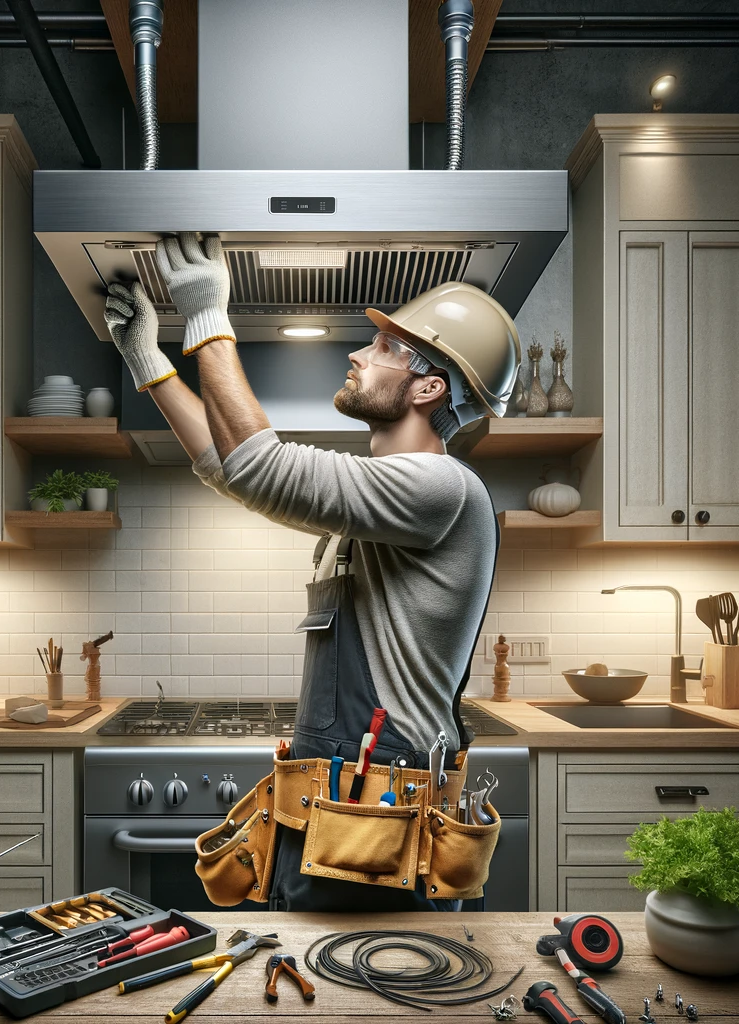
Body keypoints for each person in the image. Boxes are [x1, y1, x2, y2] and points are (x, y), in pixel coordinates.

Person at [104, 232, 520, 911]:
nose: (358, 353)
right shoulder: (382, 501)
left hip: (382, 827)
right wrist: (147, 359)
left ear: (430, 386)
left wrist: (208, 315)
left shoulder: (442, 486)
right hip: (329, 815)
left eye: (385, 347)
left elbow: (256, 465)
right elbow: (225, 464)